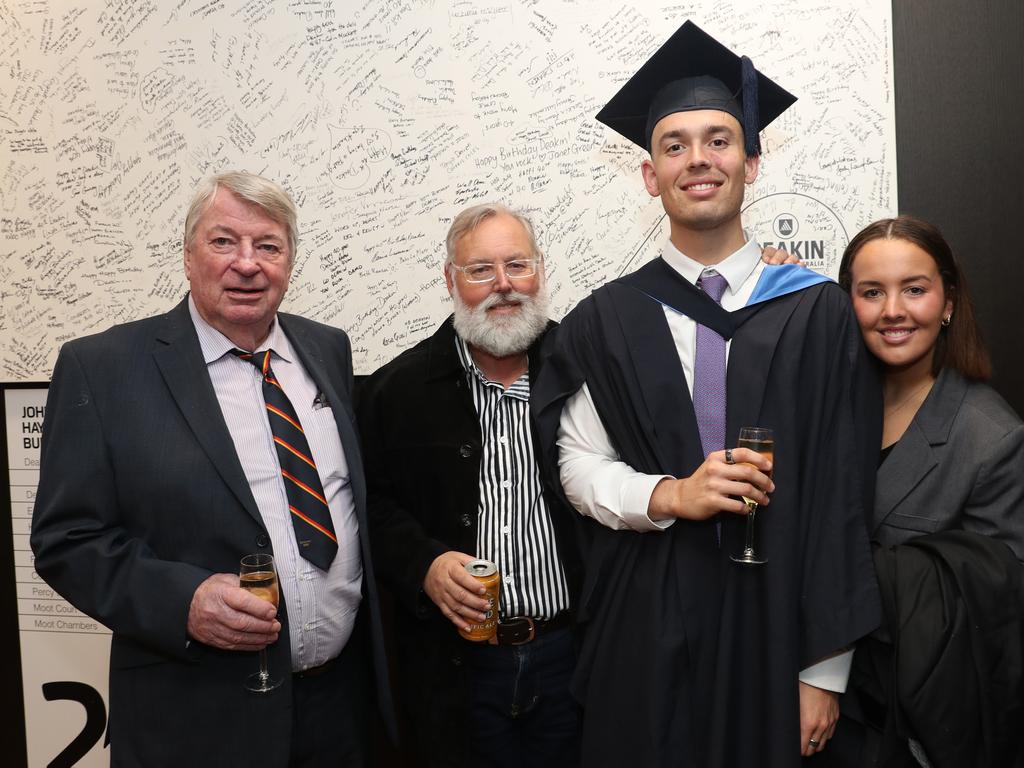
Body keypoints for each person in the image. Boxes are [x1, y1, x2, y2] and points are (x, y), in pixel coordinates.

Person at [532, 20, 882, 767]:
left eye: (719, 140)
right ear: (649, 174)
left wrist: (824, 671)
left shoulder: (817, 312)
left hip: (781, 626)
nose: (699, 159)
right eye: (675, 144)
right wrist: (668, 495)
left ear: (752, 163)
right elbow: (577, 465)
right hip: (648, 625)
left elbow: (841, 495)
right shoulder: (607, 319)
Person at [30, 171, 394, 767]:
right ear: (188, 255)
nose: (247, 264)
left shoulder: (328, 347)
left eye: (268, 246)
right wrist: (184, 601)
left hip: (340, 706)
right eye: (224, 242)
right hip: (197, 719)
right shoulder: (103, 368)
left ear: (290, 261)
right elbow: (66, 540)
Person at [357, 203, 583, 768]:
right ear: (450, 281)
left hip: (572, 660)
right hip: (454, 672)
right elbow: (372, 508)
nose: (503, 286)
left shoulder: (586, 370)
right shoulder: (398, 390)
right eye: (481, 270)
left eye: (518, 265)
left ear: (541, 272)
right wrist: (425, 566)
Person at [830, 215, 1024, 766]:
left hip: (911, 733)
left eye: (914, 289)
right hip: (818, 710)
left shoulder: (992, 439)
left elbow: (995, 616)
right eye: (871, 292)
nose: (893, 311)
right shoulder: (831, 408)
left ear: (948, 302)